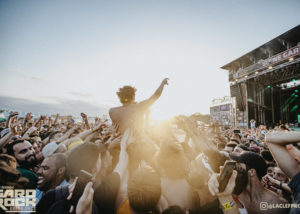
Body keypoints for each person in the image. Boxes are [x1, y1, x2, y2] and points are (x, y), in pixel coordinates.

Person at [207, 151, 289, 214]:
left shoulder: (277, 205)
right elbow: (225, 207)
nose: (234, 169)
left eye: (237, 166)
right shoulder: (234, 191)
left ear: (252, 172)